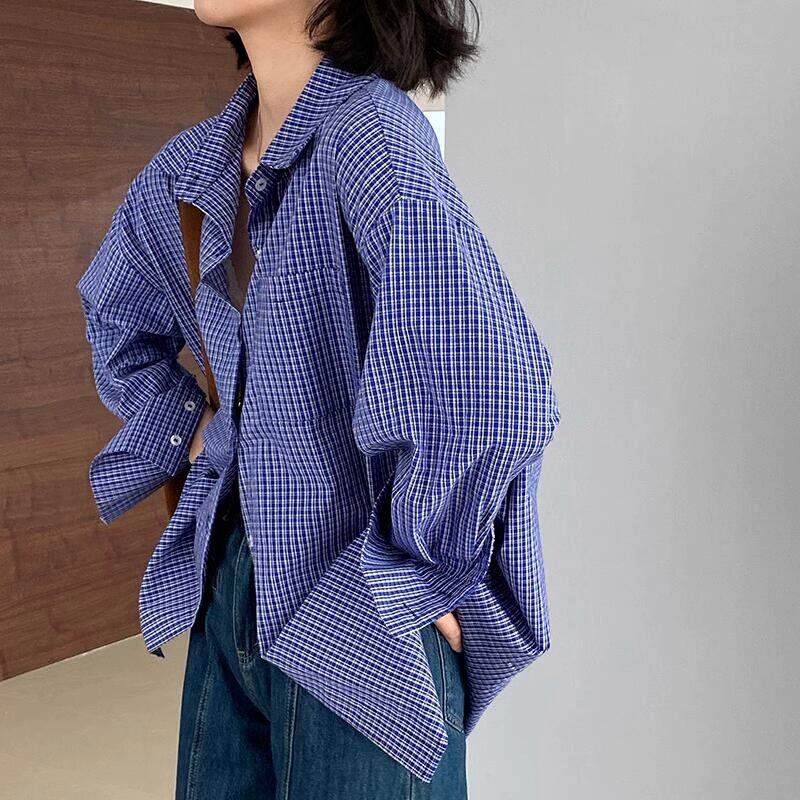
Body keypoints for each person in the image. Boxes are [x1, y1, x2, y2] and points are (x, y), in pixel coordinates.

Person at [75, 1, 561, 797]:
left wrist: (422, 562)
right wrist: (199, 435)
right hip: (230, 582)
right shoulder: (193, 165)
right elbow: (116, 315)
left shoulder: (371, 134)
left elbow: (494, 389)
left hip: (356, 600)